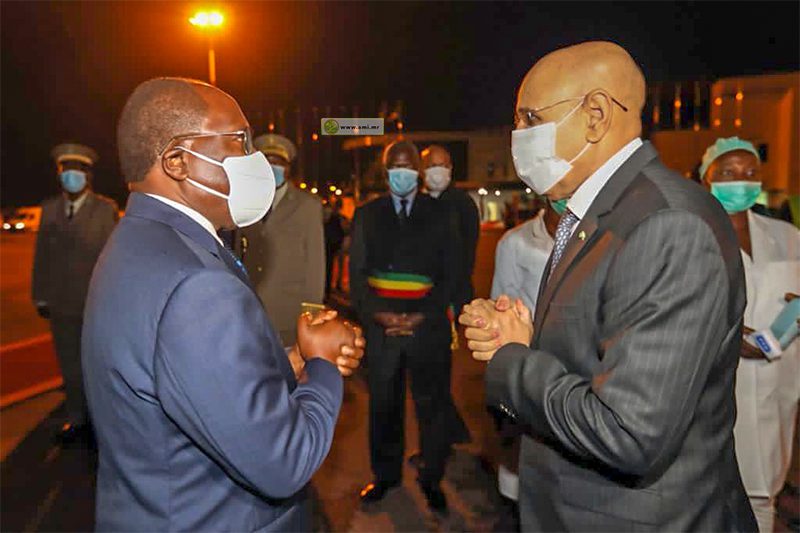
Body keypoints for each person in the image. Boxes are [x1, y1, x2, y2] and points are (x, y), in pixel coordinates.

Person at [458, 41, 756, 531]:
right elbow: (595, 352)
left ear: (595, 115)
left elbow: (629, 433)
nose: (518, 137)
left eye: (530, 118)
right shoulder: (596, 216)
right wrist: (525, 336)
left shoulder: (668, 224)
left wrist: (514, 359)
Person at [82, 77, 365, 531]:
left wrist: (290, 360)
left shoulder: (138, 242)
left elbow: (188, 380)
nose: (255, 159)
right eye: (239, 141)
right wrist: (323, 366)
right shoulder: (196, 285)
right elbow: (284, 461)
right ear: (176, 161)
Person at [349, 140, 459, 513]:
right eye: (395, 166)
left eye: (408, 165)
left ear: (419, 171)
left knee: (432, 407)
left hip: (428, 327)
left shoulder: (441, 214)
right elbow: (357, 275)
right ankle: (386, 476)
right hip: (382, 330)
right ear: (386, 173)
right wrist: (378, 314)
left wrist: (420, 315)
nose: (402, 172)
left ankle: (431, 478)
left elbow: (451, 274)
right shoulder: (367, 215)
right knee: (383, 406)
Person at [700, 136, 800, 533]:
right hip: (721, 382)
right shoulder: (692, 233)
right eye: (728, 172)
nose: (740, 181)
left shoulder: (788, 236)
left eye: (750, 172)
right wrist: (723, 331)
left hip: (778, 380)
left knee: (765, 493)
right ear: (706, 177)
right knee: (716, 489)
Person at [32, 142, 118, 444]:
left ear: (88, 176)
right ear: (59, 175)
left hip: (94, 303)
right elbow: (42, 256)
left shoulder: (105, 210)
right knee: (69, 364)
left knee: (96, 364)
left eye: (78, 170)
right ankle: (77, 417)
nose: (71, 176)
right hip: (61, 303)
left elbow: (113, 258)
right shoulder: (49, 210)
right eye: (66, 170)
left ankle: (100, 421)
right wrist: (40, 295)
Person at [488, 197, 560, 504]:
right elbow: (500, 313)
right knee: (521, 472)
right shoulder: (515, 243)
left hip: (577, 375)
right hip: (528, 372)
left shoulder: (601, 236)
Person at [235, 133, 325, 346]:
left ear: (288, 169)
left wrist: (311, 315)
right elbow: (238, 254)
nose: (272, 168)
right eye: (267, 162)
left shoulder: (307, 206)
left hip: (289, 315)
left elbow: (316, 265)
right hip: (250, 312)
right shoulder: (245, 204)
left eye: (278, 163)